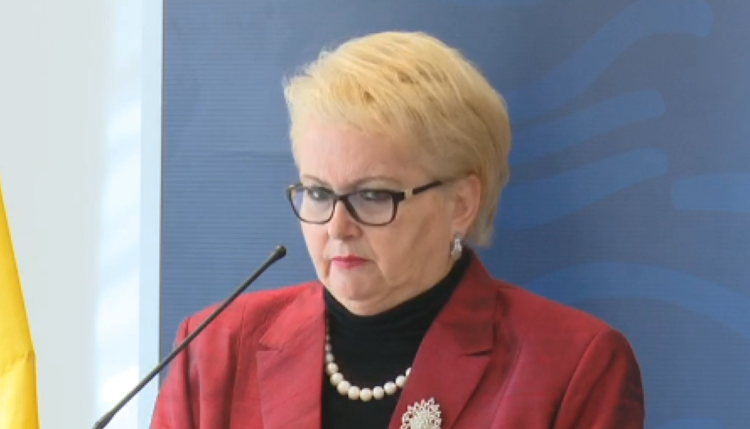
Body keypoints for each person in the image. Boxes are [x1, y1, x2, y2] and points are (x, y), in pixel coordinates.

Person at [150, 31, 645, 429]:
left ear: (461, 203)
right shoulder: (215, 349)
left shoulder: (572, 367)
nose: (337, 227)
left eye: (372, 195)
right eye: (318, 192)